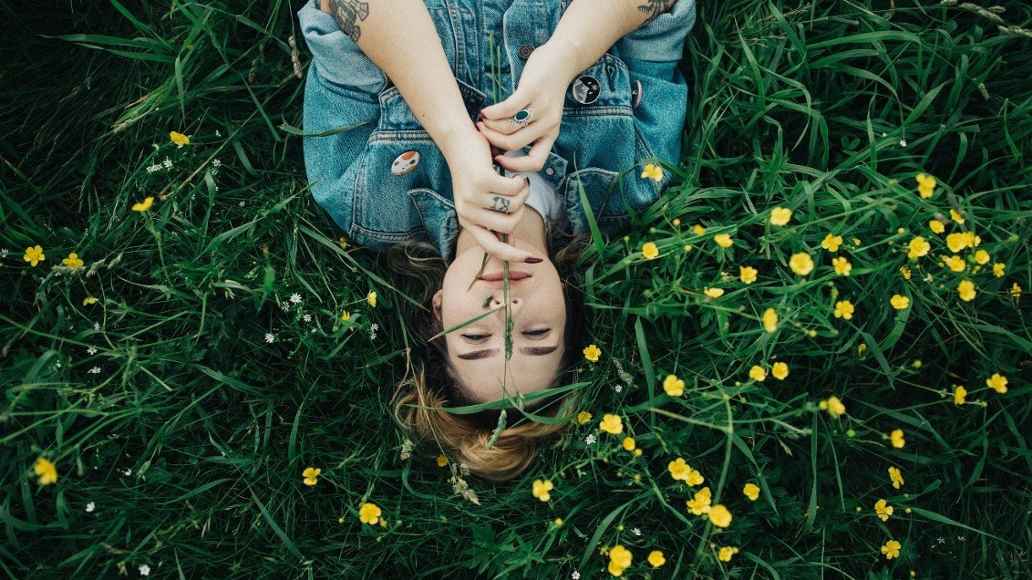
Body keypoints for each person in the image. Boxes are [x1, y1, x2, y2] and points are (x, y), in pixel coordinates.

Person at [298, 0, 695, 480]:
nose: (505, 308)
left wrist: (454, 137)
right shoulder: (631, 177)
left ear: (438, 311)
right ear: (567, 301)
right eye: (536, 334)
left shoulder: (366, 199)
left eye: (475, 337)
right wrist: (566, 56)